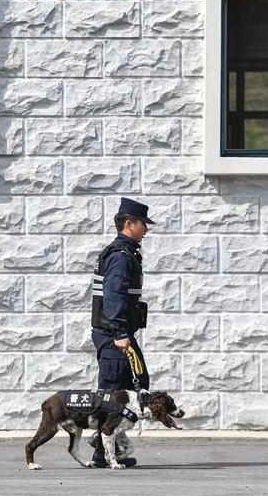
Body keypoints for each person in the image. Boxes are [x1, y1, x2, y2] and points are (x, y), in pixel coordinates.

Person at [88, 197, 153, 467]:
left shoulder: (124, 253)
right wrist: (119, 333)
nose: (146, 230)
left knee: (135, 387)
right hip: (116, 336)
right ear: (129, 224)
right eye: (143, 224)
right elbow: (113, 297)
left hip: (119, 334)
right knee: (114, 395)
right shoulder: (121, 256)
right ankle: (100, 453)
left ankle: (107, 448)